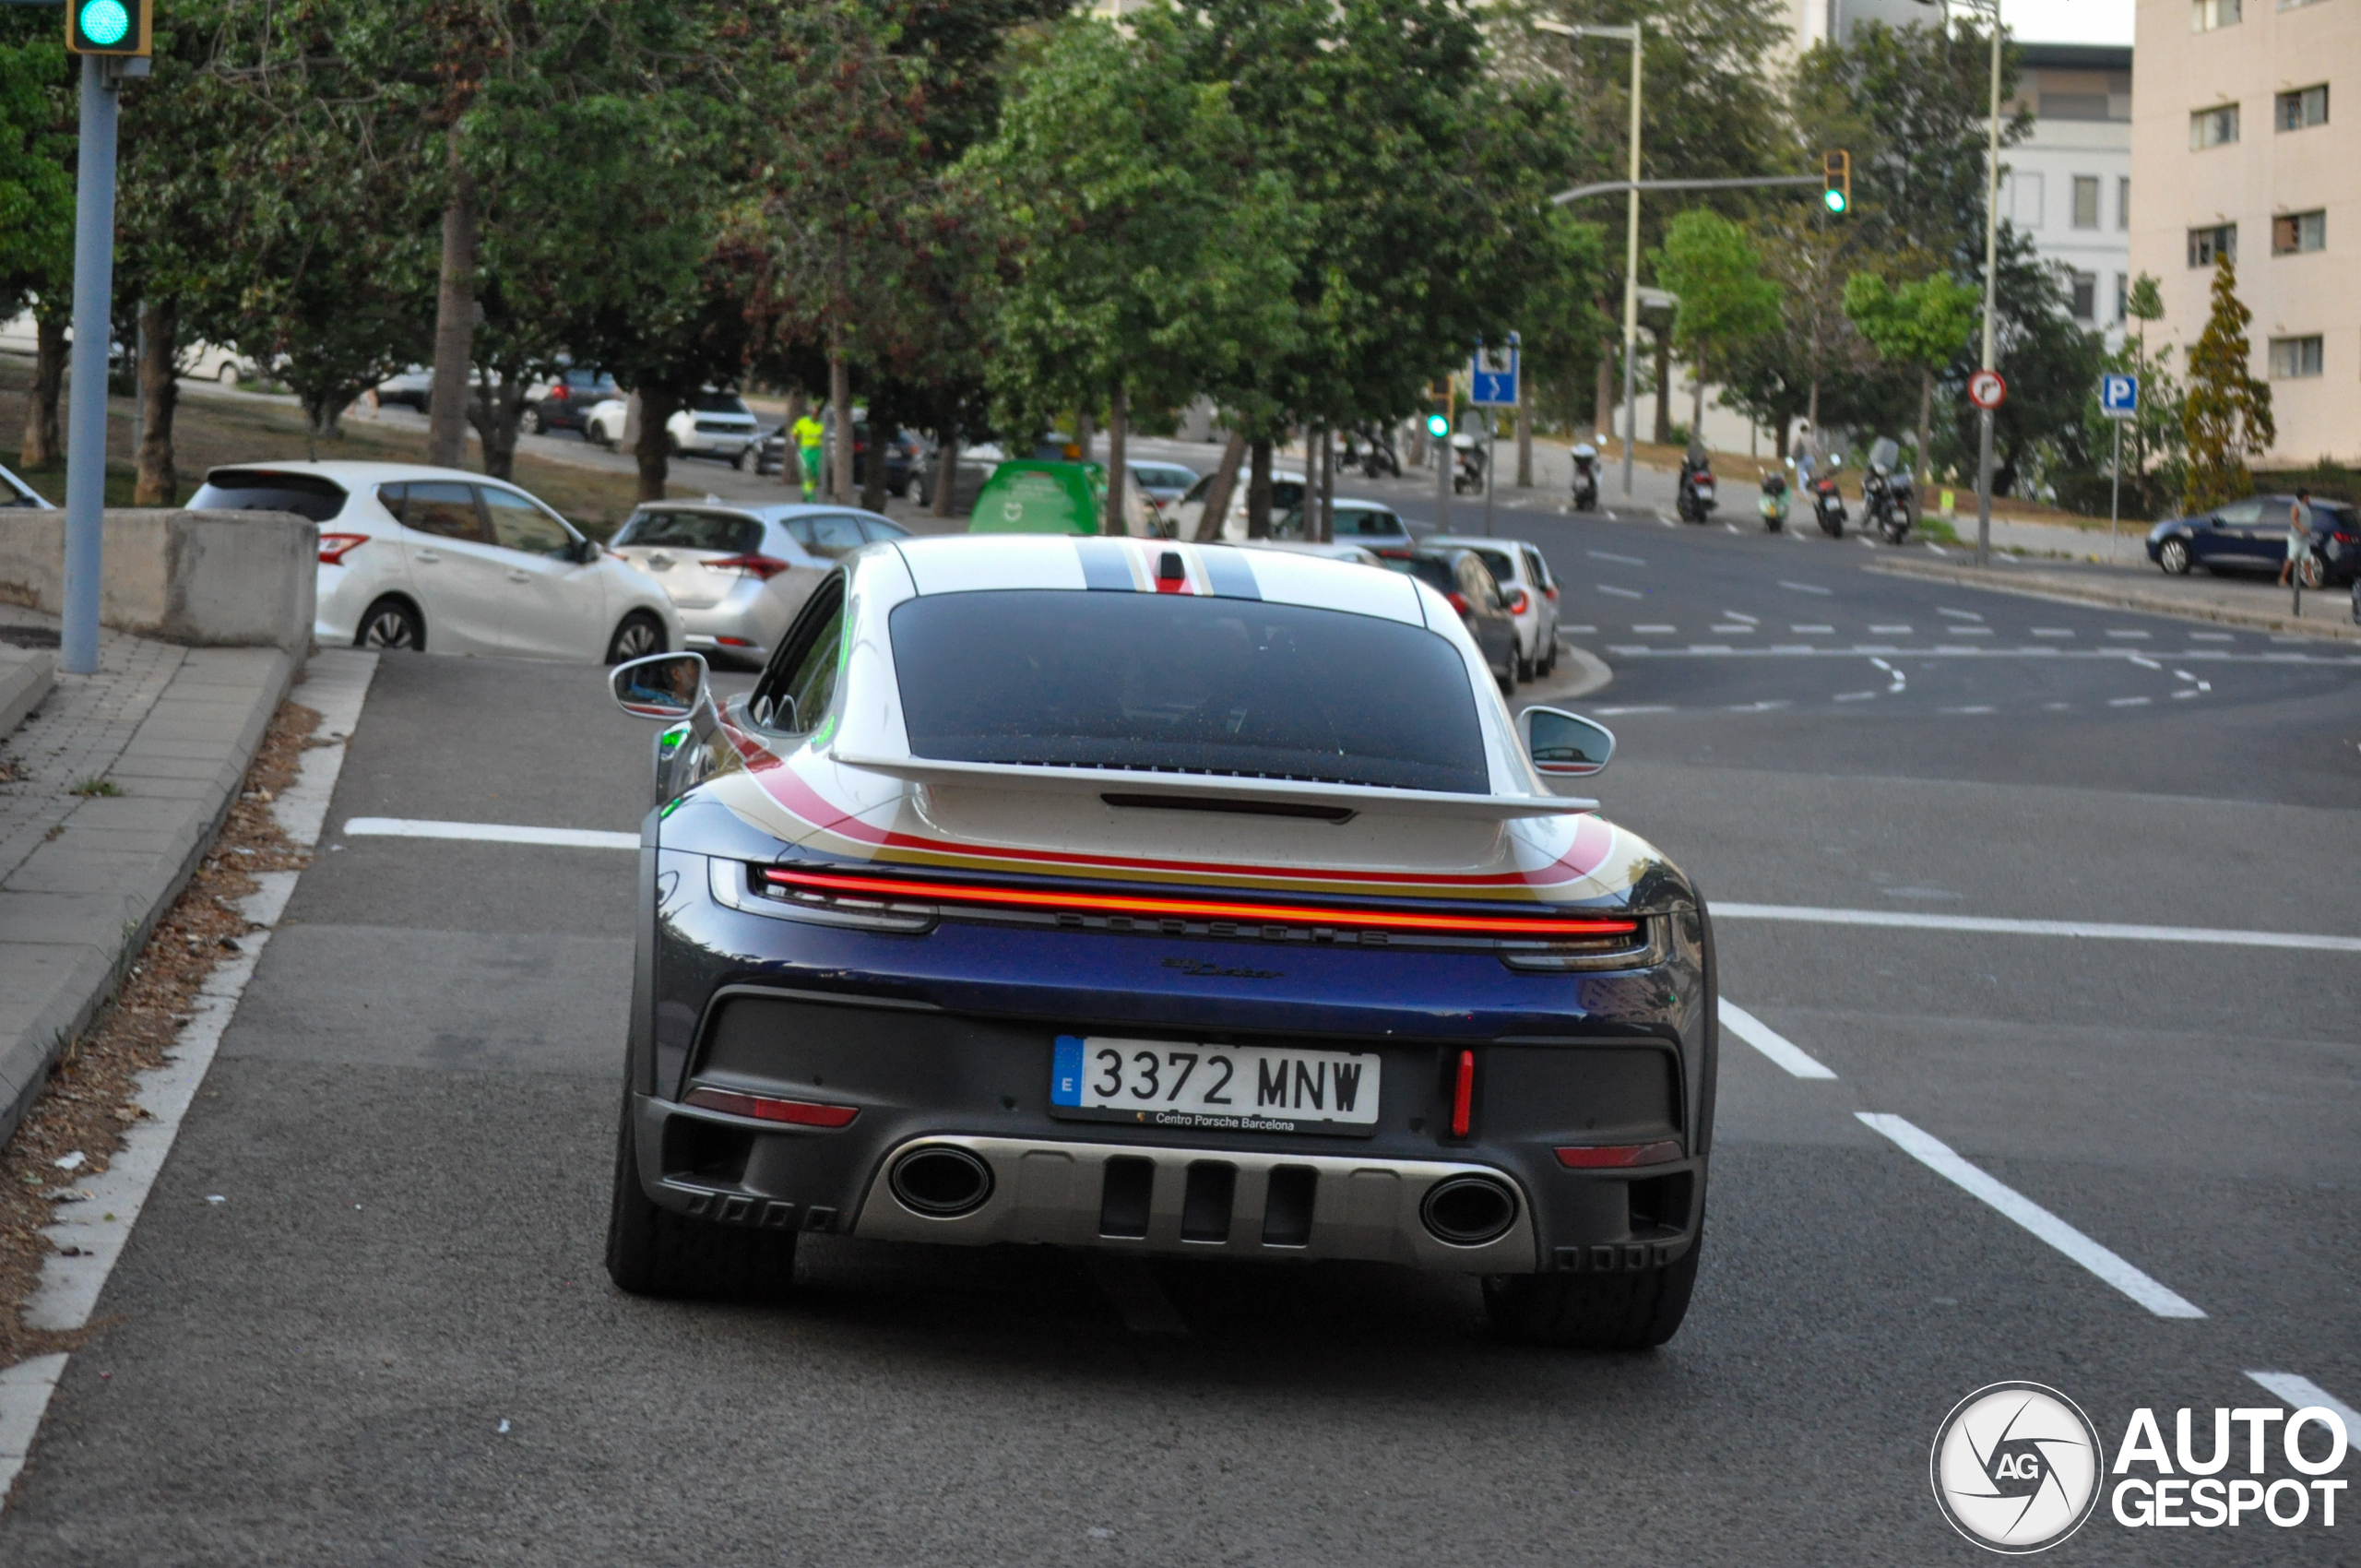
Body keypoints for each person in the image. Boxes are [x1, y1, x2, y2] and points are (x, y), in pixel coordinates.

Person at [2277, 489, 2314, 588]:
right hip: (2296, 538)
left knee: (2307, 559)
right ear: (2303, 497)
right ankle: (2282, 578)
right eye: (2307, 496)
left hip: (2304, 538)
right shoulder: (2296, 506)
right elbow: (2293, 519)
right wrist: (2301, 528)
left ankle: (2311, 581)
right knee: (2291, 558)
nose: (2308, 498)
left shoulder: (2306, 506)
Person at [791, 406, 826, 502]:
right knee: (806, 475)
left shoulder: (822, 424)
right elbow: (794, 433)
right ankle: (811, 498)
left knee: (815, 474)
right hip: (805, 452)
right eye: (813, 413)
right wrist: (795, 444)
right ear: (810, 413)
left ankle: (806, 495)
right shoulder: (803, 422)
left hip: (817, 452)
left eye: (816, 414)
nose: (815, 416)